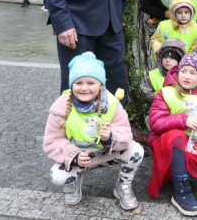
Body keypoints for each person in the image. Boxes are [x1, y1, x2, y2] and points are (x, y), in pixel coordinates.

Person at [42, 52, 144, 210]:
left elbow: (126, 133)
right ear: (71, 85)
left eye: (90, 83)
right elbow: (51, 141)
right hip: (80, 158)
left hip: (104, 154)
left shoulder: (112, 103)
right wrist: (73, 156)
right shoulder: (61, 106)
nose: (84, 88)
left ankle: (122, 185)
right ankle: (74, 180)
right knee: (57, 176)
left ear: (101, 85)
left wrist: (110, 137)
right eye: (78, 83)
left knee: (136, 151)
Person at [147, 53, 197, 216]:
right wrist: (183, 120)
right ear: (178, 71)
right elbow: (155, 124)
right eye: (183, 71)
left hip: (193, 144)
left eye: (193, 73)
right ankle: (181, 192)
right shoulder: (166, 93)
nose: (187, 76)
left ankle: (182, 171)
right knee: (177, 136)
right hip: (166, 144)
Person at [141, 38, 185, 103]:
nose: (167, 60)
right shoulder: (153, 75)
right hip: (158, 109)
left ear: (180, 60)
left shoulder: (184, 75)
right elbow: (145, 92)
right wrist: (159, 96)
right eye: (165, 57)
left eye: (172, 58)